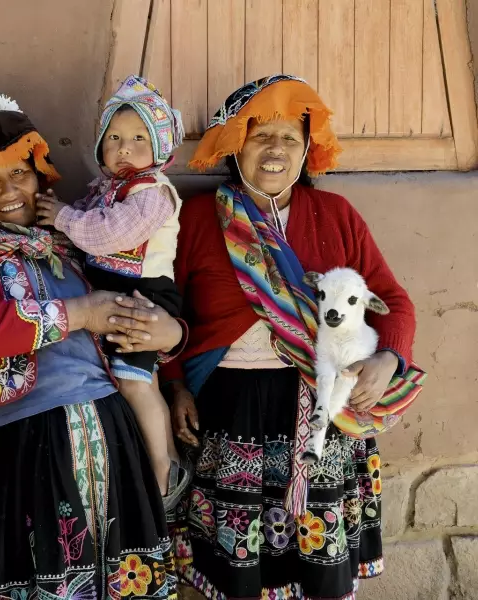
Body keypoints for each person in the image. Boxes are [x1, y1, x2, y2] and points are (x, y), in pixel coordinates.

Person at [162, 75, 423, 599]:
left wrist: (388, 359)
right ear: (237, 148)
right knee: (240, 560)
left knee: (314, 552)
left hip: (320, 401)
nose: (276, 150)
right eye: (261, 137)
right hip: (230, 406)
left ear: (307, 151)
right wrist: (175, 388)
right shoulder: (196, 219)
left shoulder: (336, 216)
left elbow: (394, 301)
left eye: (289, 139)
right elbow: (167, 310)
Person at [0, 90, 185, 598]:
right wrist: (82, 313)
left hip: (108, 431)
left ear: (41, 175)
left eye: (19, 173)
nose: (9, 190)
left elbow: (141, 310)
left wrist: (168, 332)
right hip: (14, 443)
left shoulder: (74, 238)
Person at [36, 74, 190, 507]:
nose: (124, 148)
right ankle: (160, 460)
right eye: (115, 138)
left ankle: (163, 472)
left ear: (160, 148)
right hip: (120, 292)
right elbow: (85, 228)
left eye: (139, 138)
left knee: (134, 383)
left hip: (144, 295)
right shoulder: (109, 190)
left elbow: (109, 235)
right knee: (140, 378)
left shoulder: (151, 194)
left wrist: (64, 217)